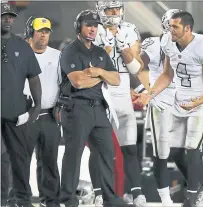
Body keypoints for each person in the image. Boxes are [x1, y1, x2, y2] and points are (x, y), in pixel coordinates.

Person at [134, 11, 203, 207]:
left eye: (175, 27)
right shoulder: (166, 41)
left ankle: (191, 198)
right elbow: (166, 75)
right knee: (175, 151)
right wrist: (150, 93)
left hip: (201, 103)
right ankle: (197, 192)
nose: (170, 30)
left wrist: (197, 102)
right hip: (178, 101)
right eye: (169, 26)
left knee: (192, 147)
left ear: (188, 28)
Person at [59, 9, 132, 207]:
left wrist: (98, 71)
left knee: (106, 153)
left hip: (99, 109)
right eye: (88, 25)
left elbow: (115, 79)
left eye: (95, 25)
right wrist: (102, 77)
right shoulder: (70, 50)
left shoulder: (99, 52)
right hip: (76, 108)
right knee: (74, 155)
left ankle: (110, 198)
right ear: (78, 27)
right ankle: (68, 199)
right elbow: (78, 82)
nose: (92, 29)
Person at [92, 1, 147, 207]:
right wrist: (106, 45)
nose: (115, 13)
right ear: (101, 11)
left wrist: (123, 46)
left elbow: (134, 68)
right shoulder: (93, 27)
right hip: (100, 92)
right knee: (100, 149)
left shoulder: (129, 29)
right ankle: (98, 193)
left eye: (117, 8)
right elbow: (96, 66)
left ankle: (138, 193)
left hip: (123, 93)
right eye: (110, 9)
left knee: (130, 148)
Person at [1, 2, 42, 206]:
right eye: (3, 16)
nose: (8, 20)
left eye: (10, 16)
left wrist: (36, 106)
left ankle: (23, 200)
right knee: (2, 158)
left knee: (20, 157)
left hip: (15, 111)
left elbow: (33, 77)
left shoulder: (22, 46)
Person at [139, 9, 179, 206]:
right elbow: (138, 66)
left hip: (184, 102)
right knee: (161, 152)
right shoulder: (154, 44)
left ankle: (193, 194)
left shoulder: (192, 44)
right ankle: (165, 198)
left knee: (188, 150)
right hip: (161, 100)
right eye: (174, 24)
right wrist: (143, 90)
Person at [23, 16, 62, 207]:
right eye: (40, 31)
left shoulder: (57, 56)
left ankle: (51, 200)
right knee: (21, 160)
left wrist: (61, 104)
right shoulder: (19, 54)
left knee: (49, 161)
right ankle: (19, 199)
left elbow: (65, 84)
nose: (44, 35)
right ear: (31, 32)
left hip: (49, 115)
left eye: (47, 31)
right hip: (24, 116)